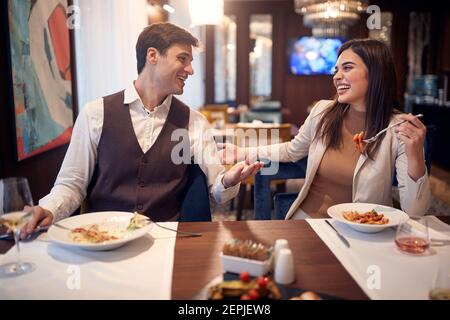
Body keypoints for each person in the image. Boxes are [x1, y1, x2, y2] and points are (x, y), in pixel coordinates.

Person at [21, 22, 262, 238]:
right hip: (103, 238)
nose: (190, 70)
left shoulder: (194, 122)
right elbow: (71, 183)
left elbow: (218, 192)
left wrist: (229, 179)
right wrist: (49, 208)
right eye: (183, 59)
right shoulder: (95, 114)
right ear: (153, 56)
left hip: (166, 240)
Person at [220, 39, 430, 219]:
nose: (336, 76)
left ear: (375, 73)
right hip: (307, 222)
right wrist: (241, 152)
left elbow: (416, 211)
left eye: (347, 68)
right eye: (336, 69)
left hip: (362, 230)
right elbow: (292, 150)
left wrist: (415, 156)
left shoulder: (398, 129)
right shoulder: (323, 112)